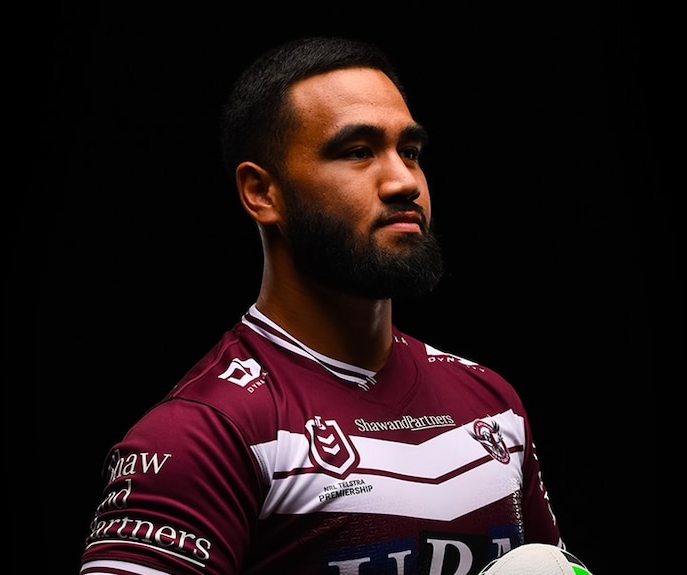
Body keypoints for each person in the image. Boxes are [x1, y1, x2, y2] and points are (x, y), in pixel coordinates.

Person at [79, 36, 565, 575]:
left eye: (410, 151)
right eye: (357, 152)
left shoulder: (491, 402)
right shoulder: (204, 434)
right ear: (262, 193)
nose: (404, 181)